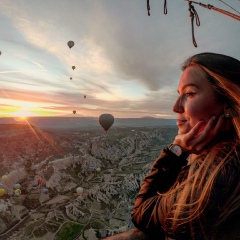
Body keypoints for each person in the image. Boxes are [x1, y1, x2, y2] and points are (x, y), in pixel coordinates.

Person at [131, 52, 240, 240]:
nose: (175, 107)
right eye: (179, 95)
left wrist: (176, 151)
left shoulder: (214, 178)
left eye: (189, 94)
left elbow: (141, 213)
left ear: (228, 105)